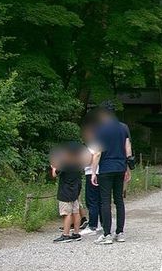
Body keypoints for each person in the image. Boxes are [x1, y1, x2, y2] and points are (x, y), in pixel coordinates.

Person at [88, 104, 132, 245]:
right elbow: (128, 149)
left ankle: (107, 234)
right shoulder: (123, 127)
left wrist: (94, 172)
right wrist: (128, 168)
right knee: (119, 200)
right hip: (120, 167)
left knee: (105, 201)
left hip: (106, 168)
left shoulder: (100, 129)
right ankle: (120, 233)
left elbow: (97, 152)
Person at [51, 143, 86, 242]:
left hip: (65, 191)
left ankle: (65, 235)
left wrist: (53, 167)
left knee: (67, 213)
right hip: (75, 190)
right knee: (76, 212)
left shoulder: (65, 163)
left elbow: (54, 174)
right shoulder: (79, 164)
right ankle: (76, 233)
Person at [79, 117, 101, 237]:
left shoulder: (93, 143)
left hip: (92, 173)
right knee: (101, 200)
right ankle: (101, 224)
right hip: (101, 172)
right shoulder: (102, 141)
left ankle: (93, 225)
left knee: (91, 200)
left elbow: (92, 157)